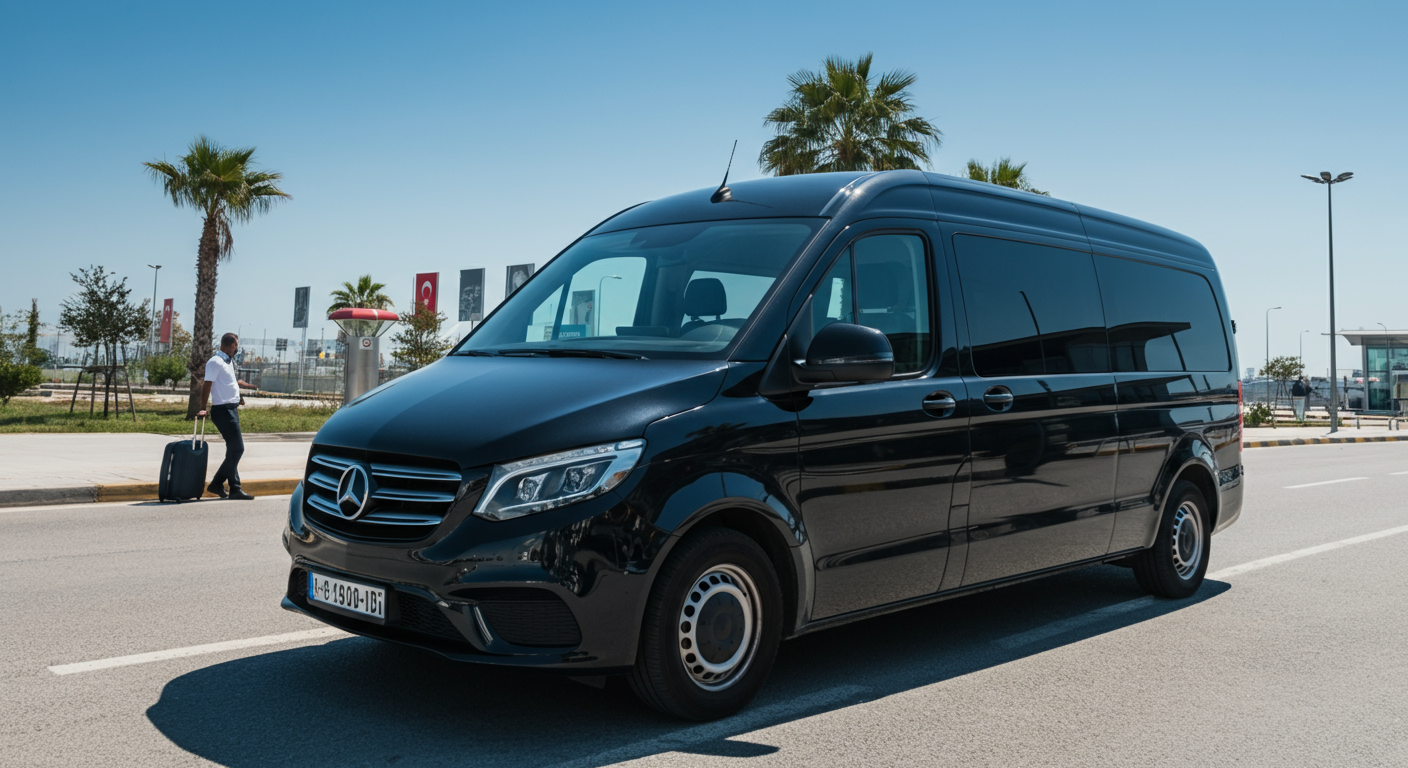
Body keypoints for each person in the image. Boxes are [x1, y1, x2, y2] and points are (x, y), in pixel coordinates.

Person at [198, 333, 256, 500]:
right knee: (238, 448)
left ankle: (235, 488)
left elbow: (229, 383)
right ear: (228, 346)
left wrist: (239, 397)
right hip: (222, 411)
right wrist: (202, 408)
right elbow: (207, 385)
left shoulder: (228, 362)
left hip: (231, 408)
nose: (236, 350)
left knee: (233, 450)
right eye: (235, 347)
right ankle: (217, 483)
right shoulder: (215, 362)